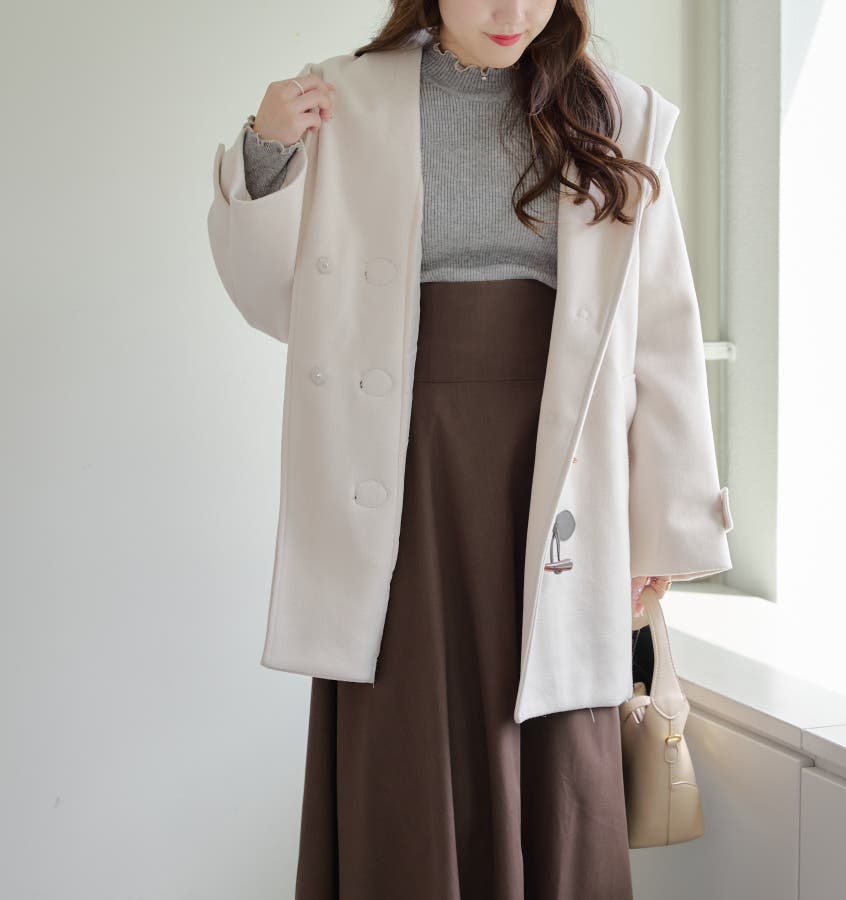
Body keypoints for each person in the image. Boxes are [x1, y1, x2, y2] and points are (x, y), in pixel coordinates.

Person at [211, 2, 719, 897]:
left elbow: (663, 331)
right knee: (405, 725)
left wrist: (662, 527)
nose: (513, 12)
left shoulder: (614, 113)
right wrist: (267, 151)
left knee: (559, 733)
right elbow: (275, 301)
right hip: (400, 465)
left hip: (559, 467)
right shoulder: (348, 97)